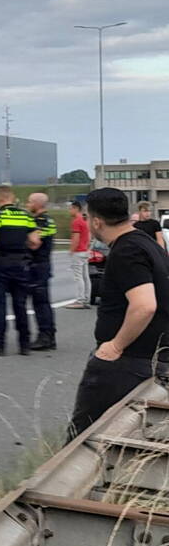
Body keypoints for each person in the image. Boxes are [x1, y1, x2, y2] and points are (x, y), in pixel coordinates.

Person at [67, 187, 169, 439]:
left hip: (128, 361)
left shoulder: (126, 251)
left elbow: (144, 305)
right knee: (131, 436)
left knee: (84, 436)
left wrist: (115, 346)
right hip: (154, 356)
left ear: (97, 221)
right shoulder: (147, 244)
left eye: (89, 219)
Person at [0, 185, 41, 357]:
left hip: (1, 264)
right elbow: (35, 241)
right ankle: (25, 344)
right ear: (12, 198)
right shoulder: (25, 215)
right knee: (20, 305)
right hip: (21, 264)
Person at [26, 192, 58, 351]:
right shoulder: (47, 221)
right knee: (42, 301)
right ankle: (49, 335)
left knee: (40, 302)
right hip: (41, 265)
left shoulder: (42, 221)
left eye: (30, 202)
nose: (27, 205)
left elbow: (34, 243)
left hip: (38, 265)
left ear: (38, 204)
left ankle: (45, 336)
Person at [66, 201, 92, 309]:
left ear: (76, 208)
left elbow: (76, 238)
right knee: (86, 277)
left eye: (70, 208)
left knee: (78, 277)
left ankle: (80, 300)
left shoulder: (76, 221)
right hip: (85, 251)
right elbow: (89, 237)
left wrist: (71, 250)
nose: (69, 211)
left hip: (78, 251)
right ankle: (86, 298)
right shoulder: (85, 220)